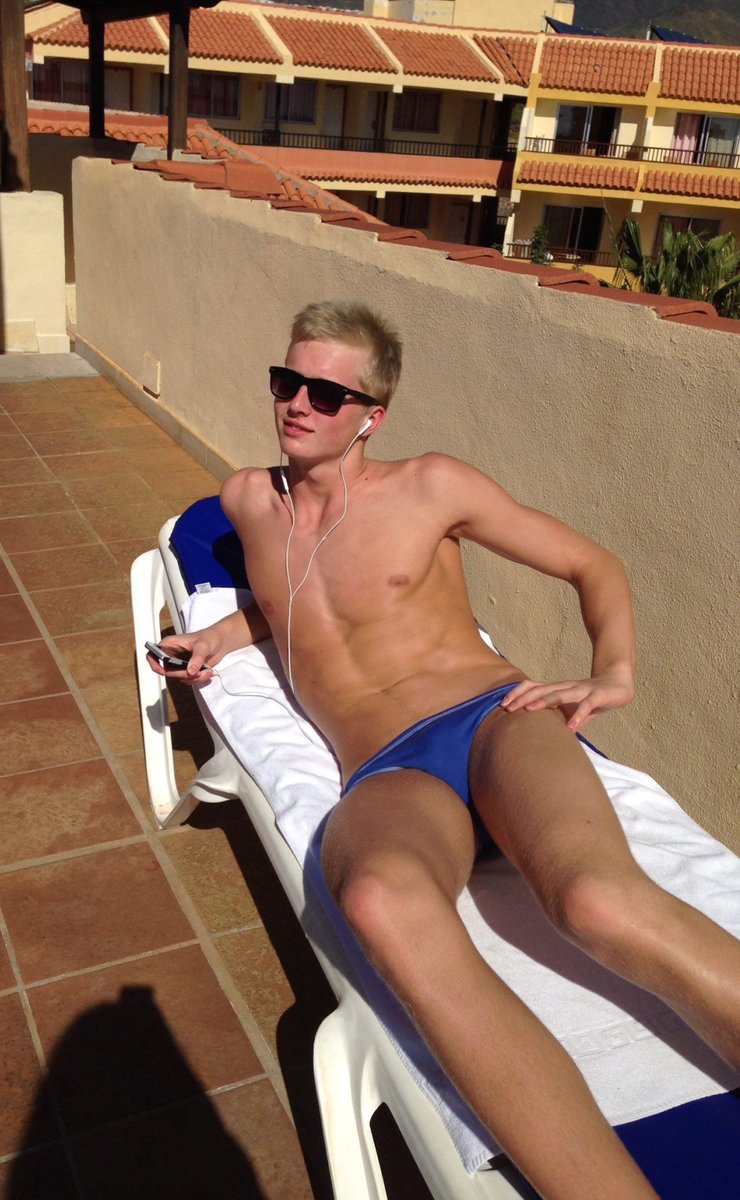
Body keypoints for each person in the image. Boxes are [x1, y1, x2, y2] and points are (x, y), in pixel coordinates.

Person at [149, 301, 740, 1199]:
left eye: (326, 393)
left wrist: (613, 670)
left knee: (596, 900)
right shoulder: (245, 502)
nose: (298, 403)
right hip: (388, 771)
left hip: (492, 721)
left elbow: (592, 565)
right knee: (376, 899)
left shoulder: (430, 487)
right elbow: (293, 598)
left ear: (371, 416)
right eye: (287, 381)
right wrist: (224, 634)